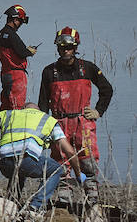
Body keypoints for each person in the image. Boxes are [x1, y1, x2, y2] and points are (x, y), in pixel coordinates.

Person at [38, 27, 113, 205]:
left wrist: (98, 111)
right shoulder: (49, 71)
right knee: (60, 159)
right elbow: (42, 102)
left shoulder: (87, 68)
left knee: (87, 158)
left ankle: (92, 191)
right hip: (58, 122)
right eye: (62, 47)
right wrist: (43, 127)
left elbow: (107, 90)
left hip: (83, 122)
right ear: (57, 48)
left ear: (76, 47)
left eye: (69, 47)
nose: (66, 50)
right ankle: (64, 193)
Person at [0, 102, 84, 212]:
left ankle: (11, 201)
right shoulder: (47, 120)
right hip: (26, 160)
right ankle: (36, 205)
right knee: (56, 169)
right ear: (39, 111)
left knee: (18, 170)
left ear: (22, 109)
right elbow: (69, 151)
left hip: (3, 162)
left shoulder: (9, 115)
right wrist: (78, 175)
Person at [0, 4, 37, 110]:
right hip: (16, 75)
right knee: (16, 105)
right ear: (14, 19)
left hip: (5, 73)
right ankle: (15, 125)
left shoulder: (0, 34)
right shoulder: (12, 35)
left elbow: (12, 51)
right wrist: (30, 51)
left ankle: (0, 125)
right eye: (20, 21)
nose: (21, 24)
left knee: (6, 103)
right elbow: (22, 52)